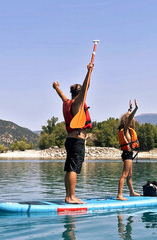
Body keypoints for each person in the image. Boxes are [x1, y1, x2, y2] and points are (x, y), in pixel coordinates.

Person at [52, 63, 93, 204]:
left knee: (69, 168)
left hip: (69, 140)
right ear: (80, 93)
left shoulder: (67, 102)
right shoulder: (77, 104)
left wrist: (56, 88)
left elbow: (62, 95)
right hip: (77, 140)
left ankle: (68, 196)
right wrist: (89, 72)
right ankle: (71, 197)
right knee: (74, 168)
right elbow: (86, 86)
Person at [116, 99, 141, 201]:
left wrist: (129, 109)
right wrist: (136, 109)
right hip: (127, 154)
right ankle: (119, 195)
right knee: (125, 174)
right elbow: (129, 118)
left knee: (130, 175)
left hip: (129, 154)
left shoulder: (129, 131)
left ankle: (131, 192)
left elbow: (128, 116)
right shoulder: (125, 130)